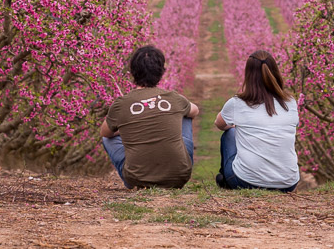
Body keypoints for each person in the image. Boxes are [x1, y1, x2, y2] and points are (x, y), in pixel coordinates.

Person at [100, 45, 200, 188]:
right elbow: (195, 111)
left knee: (107, 139)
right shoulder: (173, 98)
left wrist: (127, 127)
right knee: (185, 115)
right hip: (179, 177)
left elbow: (105, 133)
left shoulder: (122, 103)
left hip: (137, 179)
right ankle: (176, 164)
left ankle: (133, 178)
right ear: (161, 72)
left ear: (133, 72)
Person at [214, 50, 299, 192]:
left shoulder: (237, 102)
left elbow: (219, 124)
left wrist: (237, 124)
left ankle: (226, 180)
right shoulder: (290, 102)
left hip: (246, 181)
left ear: (248, 75)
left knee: (230, 133)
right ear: (275, 73)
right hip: (288, 184)